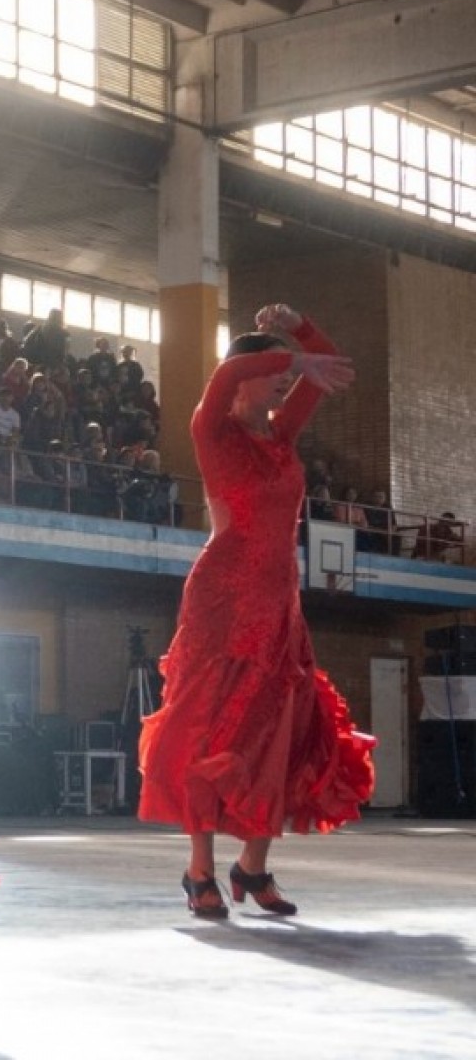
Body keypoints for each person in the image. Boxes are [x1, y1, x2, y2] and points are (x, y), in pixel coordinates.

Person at [138, 303, 375, 920]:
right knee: (208, 728)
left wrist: (300, 327)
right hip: (223, 598)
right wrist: (293, 355)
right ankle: (199, 873)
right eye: (272, 372)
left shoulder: (281, 433)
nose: (284, 382)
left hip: (279, 604)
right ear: (244, 374)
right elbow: (230, 378)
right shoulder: (212, 428)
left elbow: (330, 359)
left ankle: (252, 867)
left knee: (280, 736)